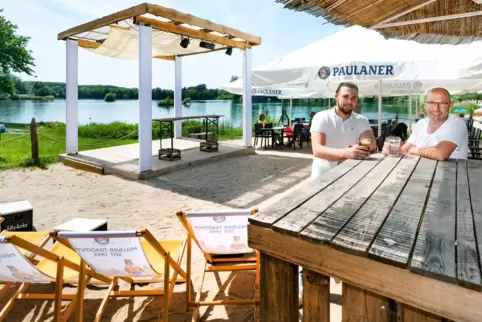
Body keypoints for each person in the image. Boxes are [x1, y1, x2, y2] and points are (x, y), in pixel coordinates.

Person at [309, 82, 376, 181]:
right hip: (322, 176)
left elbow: (372, 144)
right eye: (345, 96)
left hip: (350, 175)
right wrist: (347, 152)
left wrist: (361, 148)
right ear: (336, 96)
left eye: (354, 98)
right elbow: (317, 150)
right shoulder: (321, 117)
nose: (349, 101)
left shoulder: (361, 120)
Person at [383, 87, 468, 160]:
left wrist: (412, 149)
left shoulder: (456, 124)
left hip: (451, 176)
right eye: (431, 103)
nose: (436, 109)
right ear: (425, 105)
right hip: (422, 173)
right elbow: (404, 148)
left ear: (450, 105)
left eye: (442, 103)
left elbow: (440, 154)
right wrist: (392, 147)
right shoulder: (421, 123)